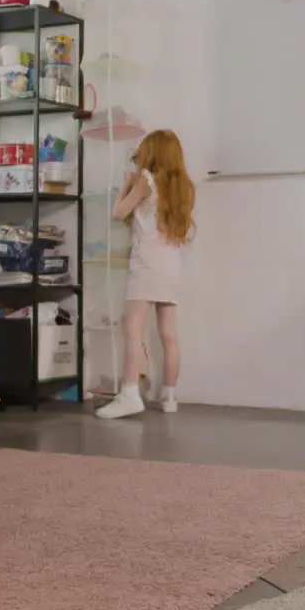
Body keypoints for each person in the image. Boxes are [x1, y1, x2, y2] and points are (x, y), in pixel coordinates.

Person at [97, 129, 196, 419]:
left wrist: (125, 185)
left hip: (147, 264)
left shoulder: (146, 181)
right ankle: (170, 396)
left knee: (132, 328)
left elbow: (118, 212)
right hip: (171, 265)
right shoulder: (183, 187)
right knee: (168, 333)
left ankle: (129, 393)